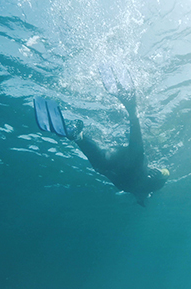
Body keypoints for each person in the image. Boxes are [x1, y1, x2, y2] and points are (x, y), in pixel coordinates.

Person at [34, 65, 169, 206]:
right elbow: (165, 174)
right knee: (106, 160)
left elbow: (166, 173)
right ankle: (78, 136)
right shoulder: (146, 189)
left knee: (115, 158)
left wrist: (161, 173)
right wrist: (161, 173)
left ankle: (80, 135)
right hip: (118, 166)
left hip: (124, 163)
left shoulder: (146, 188)